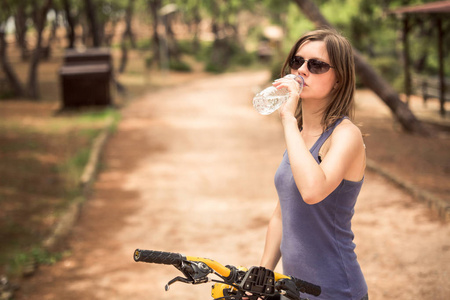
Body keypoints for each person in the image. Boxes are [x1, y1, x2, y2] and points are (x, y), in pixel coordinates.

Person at [259, 28, 368, 300]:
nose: (302, 71)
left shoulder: (346, 135)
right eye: (297, 62)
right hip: (293, 291)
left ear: (339, 79)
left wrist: (286, 118)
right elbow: (283, 213)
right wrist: (263, 274)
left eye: (316, 65)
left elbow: (312, 191)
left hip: (336, 290)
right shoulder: (299, 133)